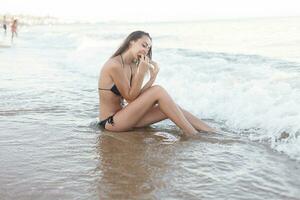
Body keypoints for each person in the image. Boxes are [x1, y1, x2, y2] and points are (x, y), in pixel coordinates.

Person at [98, 30, 215, 137]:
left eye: (148, 48)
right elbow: (130, 96)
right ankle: (192, 134)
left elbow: (133, 100)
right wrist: (142, 72)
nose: (145, 50)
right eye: (143, 45)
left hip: (126, 117)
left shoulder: (133, 65)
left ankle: (211, 131)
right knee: (158, 90)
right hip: (111, 122)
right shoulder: (114, 65)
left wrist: (152, 78)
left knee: (171, 108)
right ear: (131, 42)